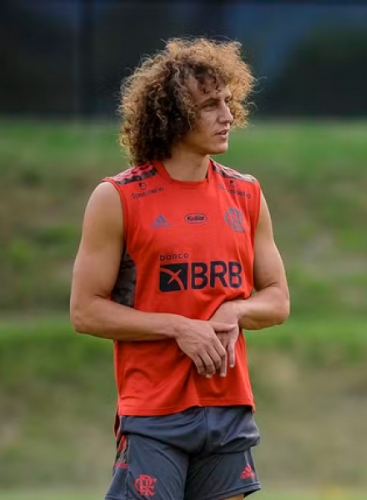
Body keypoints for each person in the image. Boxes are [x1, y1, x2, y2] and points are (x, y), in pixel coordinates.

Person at [69, 37, 290, 500]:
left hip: (229, 406)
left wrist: (234, 312)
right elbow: (86, 312)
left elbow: (277, 300)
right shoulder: (118, 198)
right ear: (170, 114)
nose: (227, 116)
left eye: (228, 102)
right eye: (210, 105)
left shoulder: (246, 194)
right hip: (154, 412)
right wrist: (179, 328)